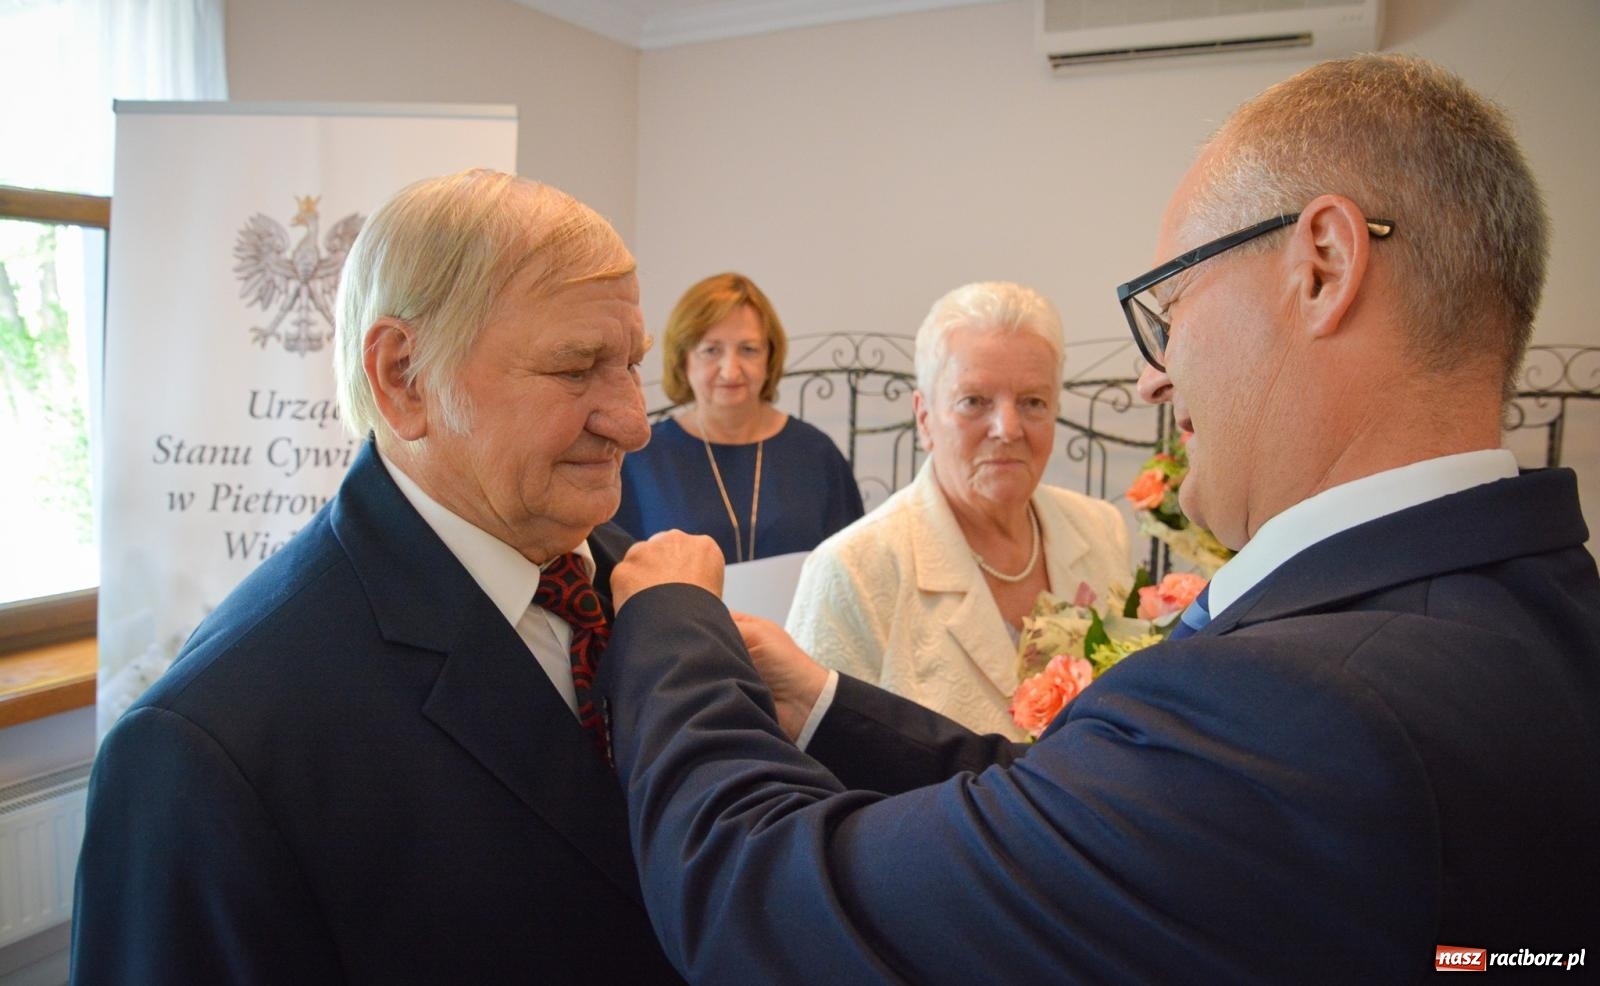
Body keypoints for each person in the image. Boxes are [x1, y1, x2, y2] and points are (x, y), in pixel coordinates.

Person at [595, 54, 1600, 983]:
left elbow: (763, 898)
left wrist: (677, 629)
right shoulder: (1543, 609)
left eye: (1171, 305)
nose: (1151, 378)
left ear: (1323, 265)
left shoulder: (1292, 702)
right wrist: (822, 701)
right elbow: (1085, 806)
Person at [71, 170, 683, 984]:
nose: (635, 423)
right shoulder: (208, 746)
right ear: (404, 376)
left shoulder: (645, 588)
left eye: (631, 363)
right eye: (576, 368)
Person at [785, 282, 1131, 735]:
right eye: (974, 401)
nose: (1008, 428)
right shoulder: (853, 570)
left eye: (1033, 402)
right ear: (924, 417)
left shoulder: (1100, 529)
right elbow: (810, 761)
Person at [613, 272, 863, 564]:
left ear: (769, 357)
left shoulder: (817, 454)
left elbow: (852, 567)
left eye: (748, 349)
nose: (731, 371)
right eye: (711, 350)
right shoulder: (643, 458)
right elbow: (615, 568)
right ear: (683, 360)